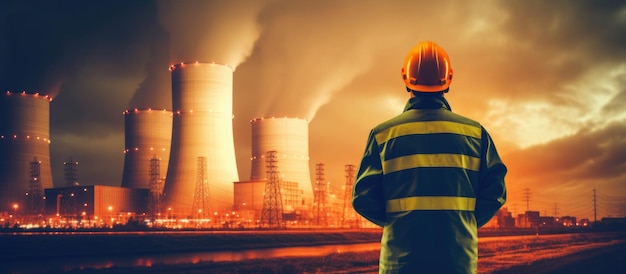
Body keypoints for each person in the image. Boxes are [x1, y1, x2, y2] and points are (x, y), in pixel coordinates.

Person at [352, 41, 507, 274]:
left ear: (406, 80)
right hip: (457, 260)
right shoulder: (475, 134)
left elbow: (362, 198)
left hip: (401, 263)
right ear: (448, 80)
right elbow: (495, 192)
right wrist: (463, 223)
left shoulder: (383, 135)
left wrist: (401, 223)